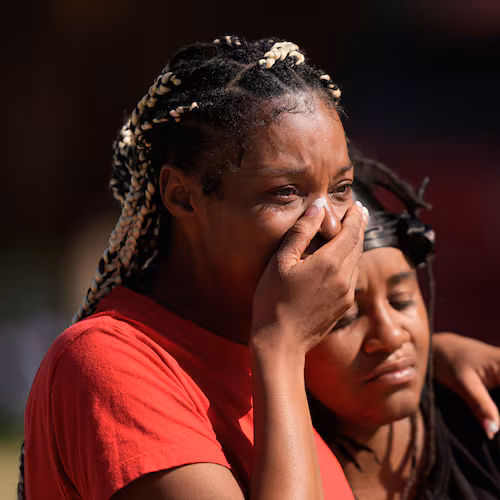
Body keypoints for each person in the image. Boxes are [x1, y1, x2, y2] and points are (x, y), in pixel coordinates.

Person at [22, 36, 367, 500]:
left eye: (342, 187)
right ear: (183, 195)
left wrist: (438, 366)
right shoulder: (109, 364)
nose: (326, 223)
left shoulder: (283, 348)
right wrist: (282, 348)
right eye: (285, 192)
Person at [306, 147, 500, 500]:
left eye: (401, 301)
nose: (391, 335)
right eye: (344, 318)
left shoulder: (482, 416)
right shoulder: (250, 467)